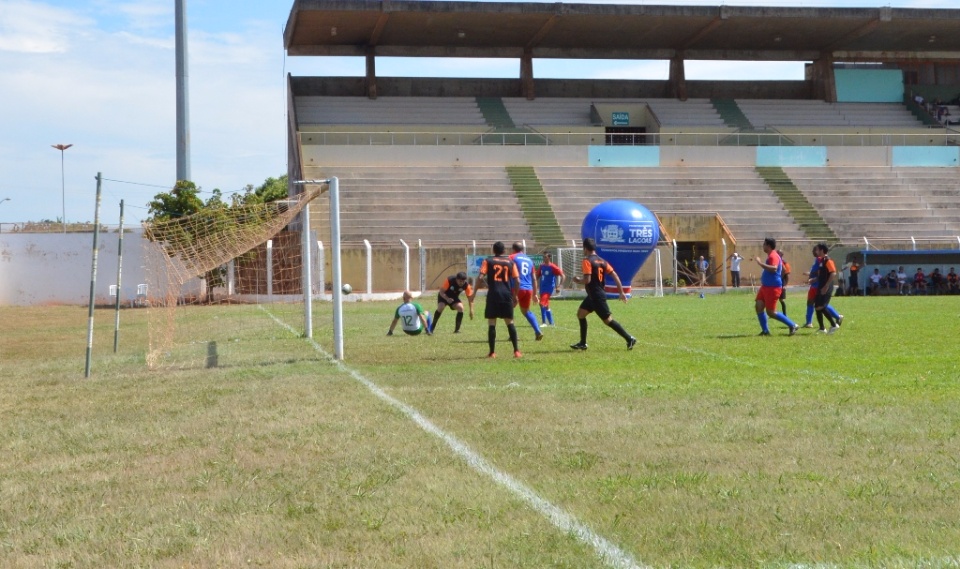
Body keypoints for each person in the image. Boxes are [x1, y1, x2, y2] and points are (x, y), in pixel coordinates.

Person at [570, 237, 637, 351]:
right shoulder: (602, 261)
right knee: (581, 314)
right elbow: (614, 274)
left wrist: (578, 280)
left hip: (596, 296)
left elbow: (587, 280)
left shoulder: (587, 261)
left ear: (585, 248)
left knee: (608, 320)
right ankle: (583, 343)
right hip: (594, 295)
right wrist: (621, 292)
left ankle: (629, 338)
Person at [473, 241, 521, 358]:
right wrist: (515, 296)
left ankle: (492, 352)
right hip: (506, 295)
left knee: (492, 323)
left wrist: (474, 293)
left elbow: (480, 277)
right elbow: (518, 281)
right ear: (504, 251)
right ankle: (516, 351)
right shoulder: (511, 262)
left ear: (493, 251)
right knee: (510, 322)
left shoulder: (488, 261)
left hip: (493, 294)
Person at [753, 237, 799, 336]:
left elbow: (774, 268)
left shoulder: (773, 256)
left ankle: (792, 325)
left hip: (772, 288)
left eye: (764, 244)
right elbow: (782, 269)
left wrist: (760, 263)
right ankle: (765, 331)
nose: (763, 246)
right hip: (766, 286)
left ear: (768, 246)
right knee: (759, 306)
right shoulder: (773, 255)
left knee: (771, 312)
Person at [802, 246, 843, 328]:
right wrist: (810, 275)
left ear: (821, 251)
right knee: (814, 303)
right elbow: (817, 272)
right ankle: (812, 323)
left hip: (819, 285)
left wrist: (815, 278)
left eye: (815, 250)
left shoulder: (823, 260)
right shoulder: (818, 260)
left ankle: (836, 318)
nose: (813, 252)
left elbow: (826, 273)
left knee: (820, 304)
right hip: (815, 284)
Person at [510, 242, 544, 341]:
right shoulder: (529, 260)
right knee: (526, 311)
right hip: (528, 289)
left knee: (508, 311)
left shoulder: (512, 257)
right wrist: (534, 293)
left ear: (513, 249)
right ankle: (537, 331)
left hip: (516, 288)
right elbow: (534, 278)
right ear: (522, 249)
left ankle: (514, 335)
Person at [812, 242, 840, 334]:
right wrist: (815, 279)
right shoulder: (822, 261)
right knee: (816, 306)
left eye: (817, 249)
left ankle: (834, 325)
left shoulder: (828, 260)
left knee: (821, 306)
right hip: (821, 285)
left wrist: (826, 286)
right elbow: (822, 274)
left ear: (822, 250)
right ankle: (822, 328)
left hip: (826, 287)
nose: (816, 251)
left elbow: (833, 273)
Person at [535, 251, 564, 326]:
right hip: (542, 287)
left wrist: (559, 286)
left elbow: (563, 276)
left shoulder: (553, 267)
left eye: (545, 257)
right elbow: (537, 276)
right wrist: (534, 282)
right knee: (546, 305)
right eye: (543, 257)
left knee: (542, 304)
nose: (544, 258)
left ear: (549, 257)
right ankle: (552, 323)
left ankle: (544, 323)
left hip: (549, 288)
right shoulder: (542, 266)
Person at [777, 250, 791, 315]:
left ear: (781, 254)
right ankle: (772, 313)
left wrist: (785, 285)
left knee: (781, 300)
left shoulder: (785, 263)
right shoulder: (775, 261)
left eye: (778, 253)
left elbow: (787, 275)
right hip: (775, 283)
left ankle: (784, 314)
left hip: (782, 283)